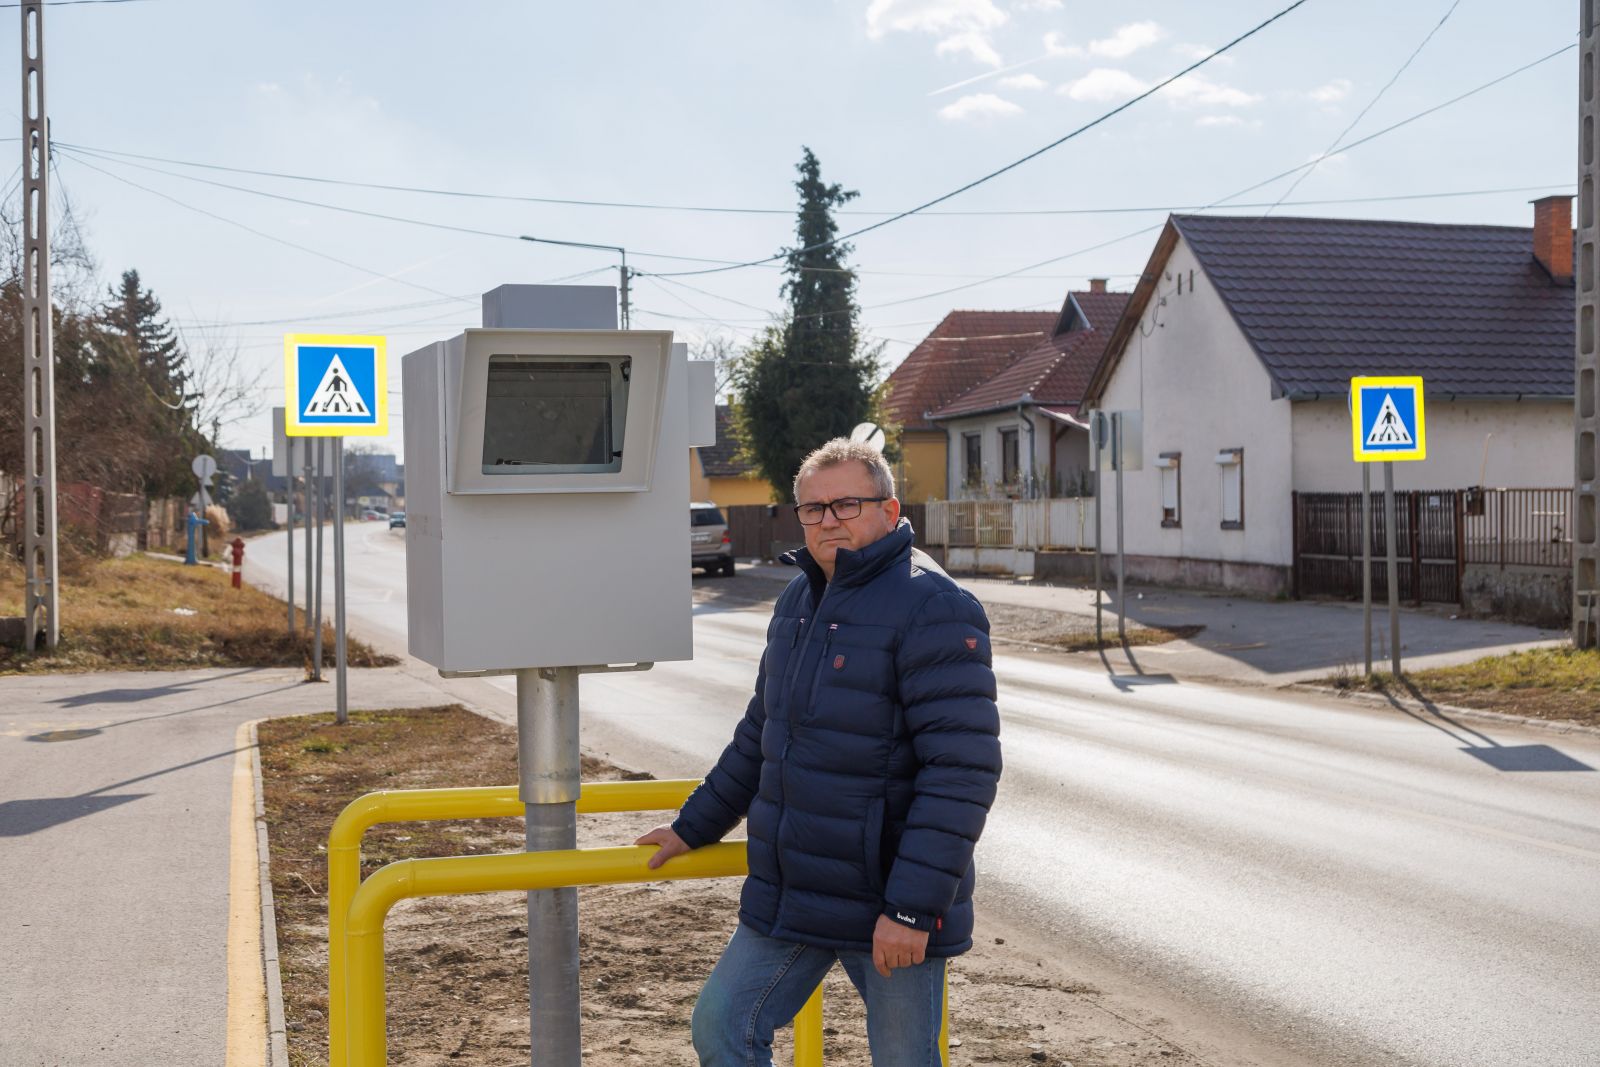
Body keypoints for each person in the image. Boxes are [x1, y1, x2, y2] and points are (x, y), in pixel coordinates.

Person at [635, 438, 1001, 1066]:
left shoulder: (934, 605)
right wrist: (694, 825)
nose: (829, 520)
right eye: (813, 509)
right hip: (796, 889)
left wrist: (911, 910)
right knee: (721, 1026)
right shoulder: (797, 601)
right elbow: (761, 733)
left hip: (889, 895)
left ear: (889, 510)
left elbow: (961, 773)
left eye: (846, 504)